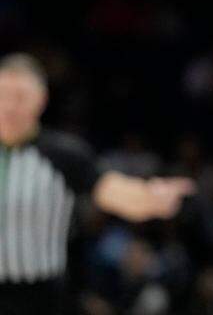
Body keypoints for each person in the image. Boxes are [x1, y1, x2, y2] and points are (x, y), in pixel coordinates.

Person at [0, 52, 196, 313]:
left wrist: (149, 198)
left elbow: (111, 190)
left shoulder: (62, 155)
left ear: (41, 99)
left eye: (21, 97)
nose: (10, 106)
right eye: (3, 95)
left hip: (39, 295)